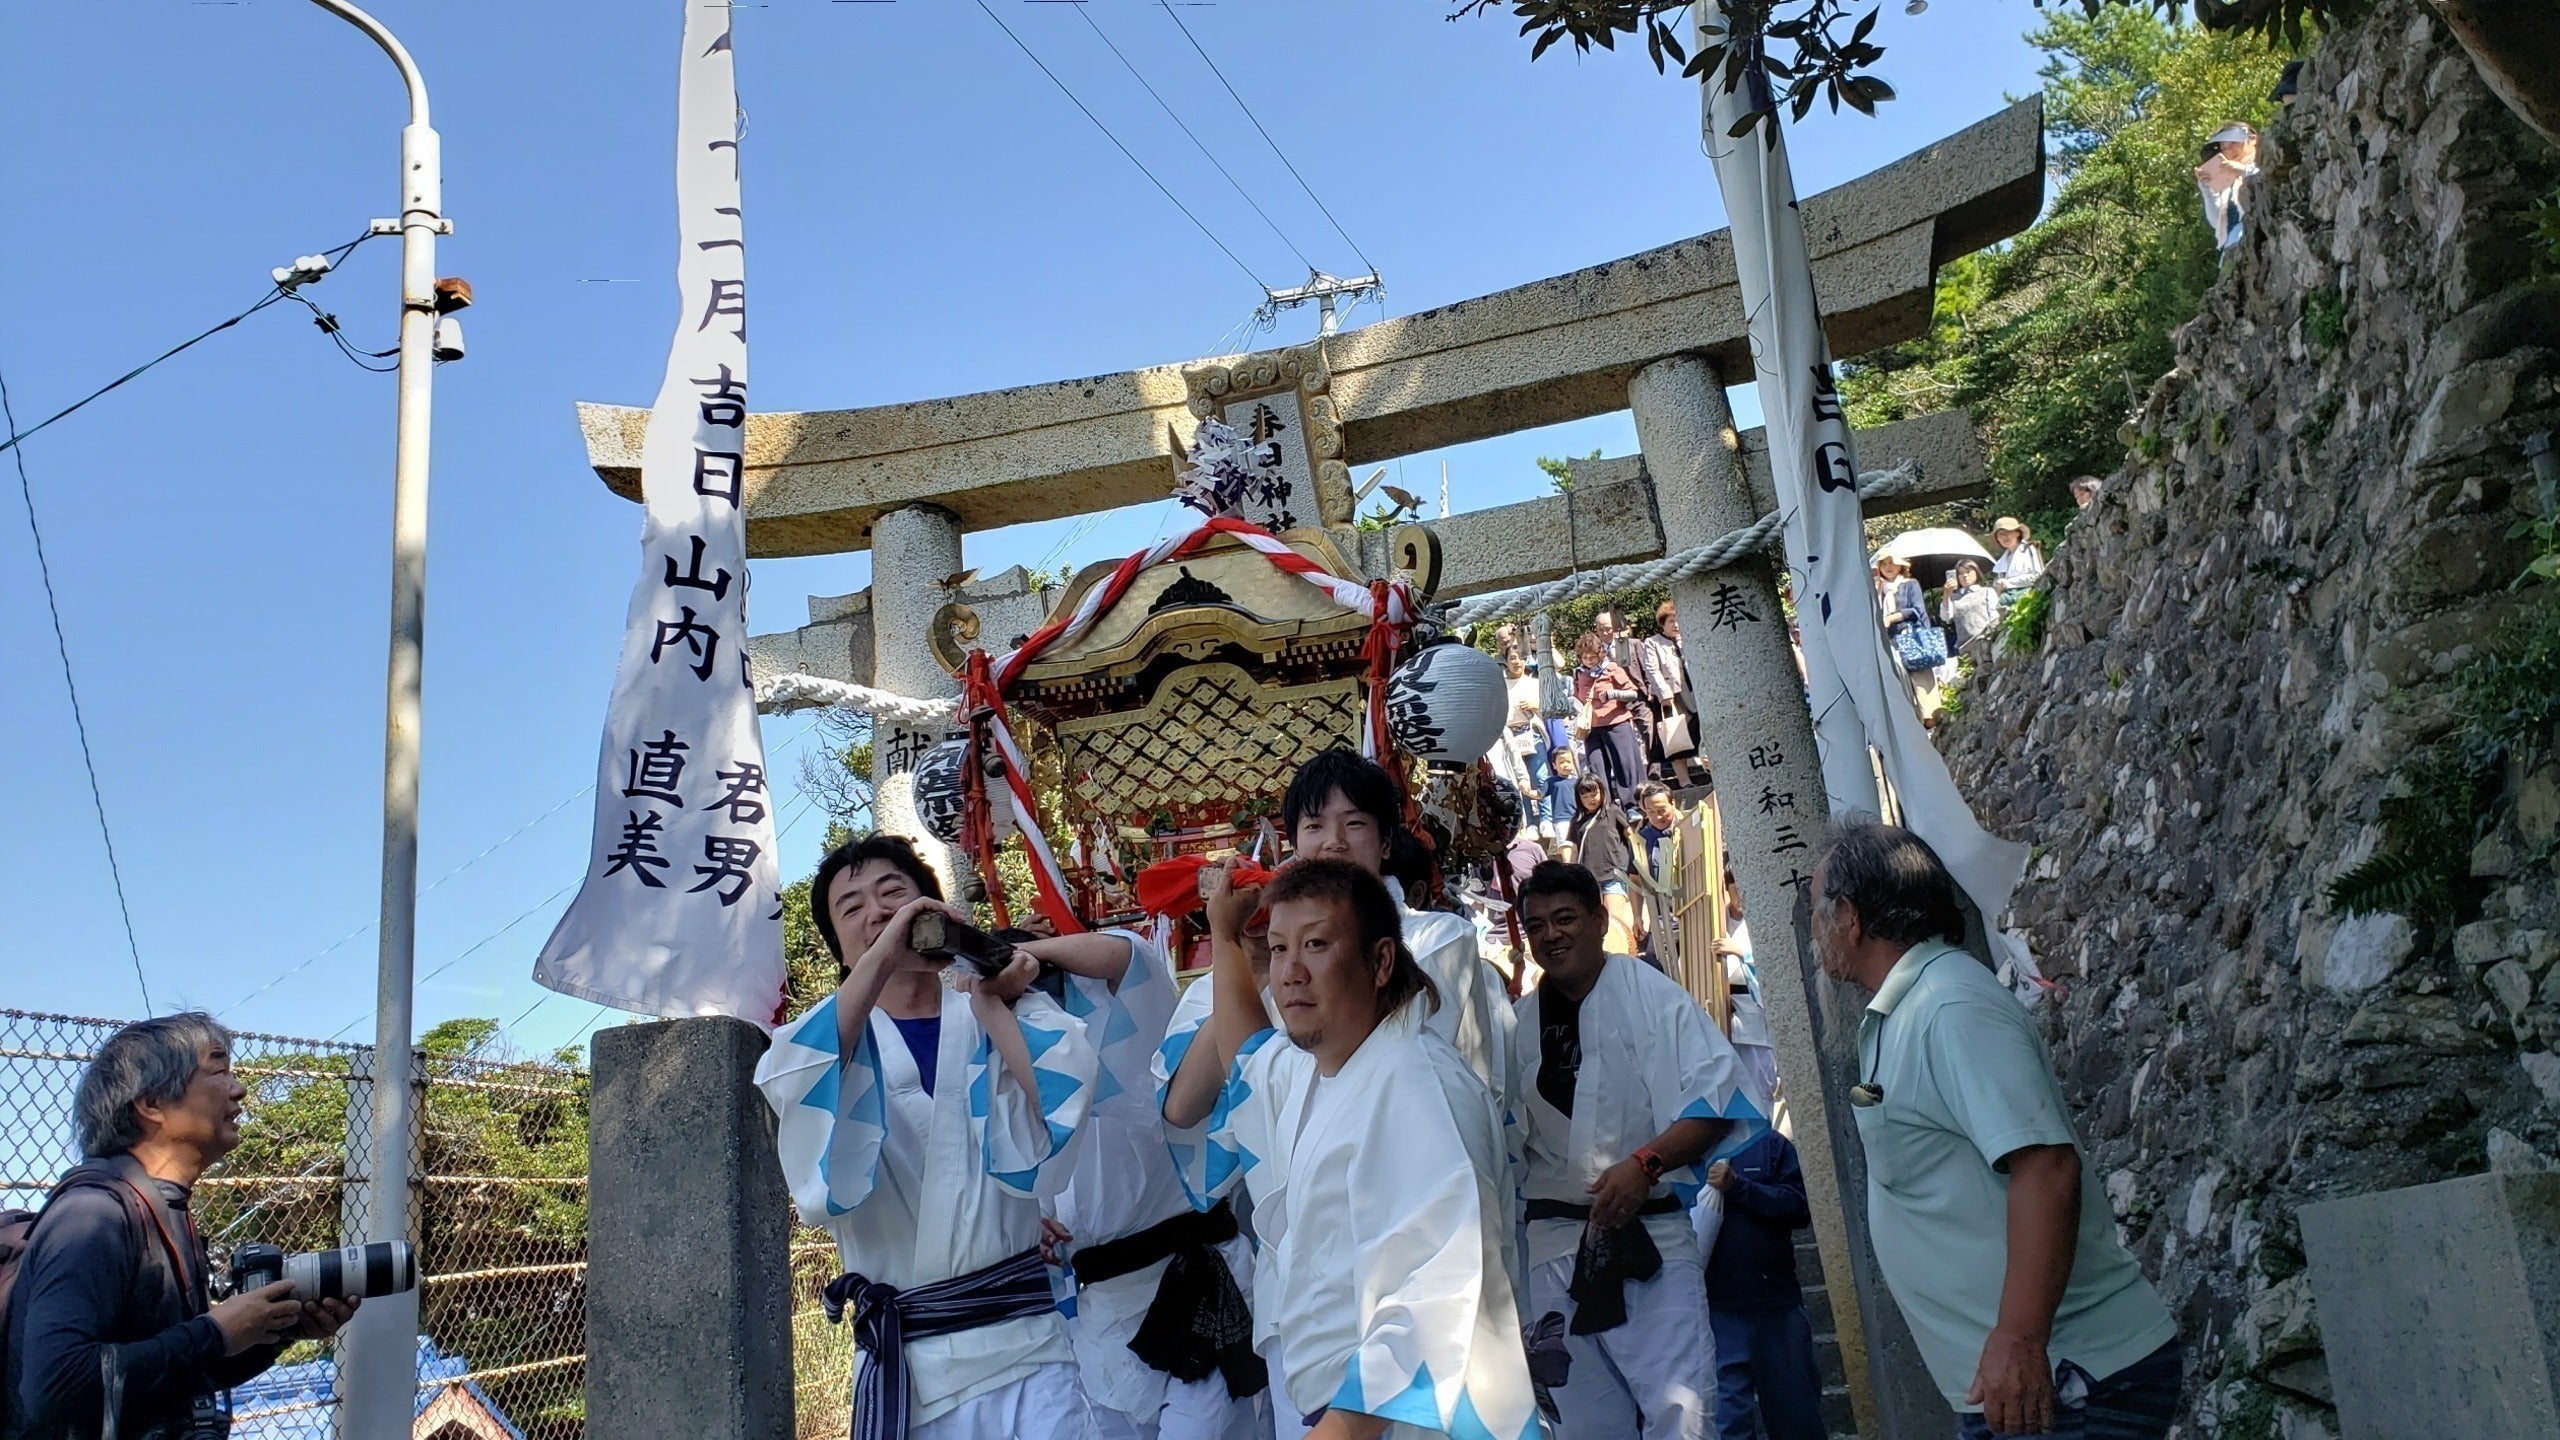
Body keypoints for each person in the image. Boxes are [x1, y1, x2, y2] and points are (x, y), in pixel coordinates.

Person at [1810, 825, 2179, 1439]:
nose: (1813, 932)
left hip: (2065, 1376)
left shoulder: (1948, 1006)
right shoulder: (1908, 1008)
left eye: (1817, 910)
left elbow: (2047, 1167)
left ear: (1848, 916)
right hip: (2022, 1384)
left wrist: (2019, 1337)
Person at [1160, 860, 1541, 1440]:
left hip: (1415, 1420)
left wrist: (1336, 1432)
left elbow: (1438, 1294)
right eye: (1280, 948)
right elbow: (1249, 1061)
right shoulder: (1318, 1068)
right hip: (1352, 1410)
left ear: (1381, 961)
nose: (1291, 972)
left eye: (1315, 945)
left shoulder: (1420, 1086)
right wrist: (1225, 936)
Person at [755, 834, 1103, 1439]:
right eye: (852, 908)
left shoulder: (998, 1004)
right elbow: (793, 1089)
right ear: (839, 948)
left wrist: (995, 1007)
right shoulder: (814, 1047)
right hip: (915, 1373)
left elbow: (1063, 1099)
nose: (879, 914)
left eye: (894, 894)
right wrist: (883, 958)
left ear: (934, 909)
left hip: (1031, 1351)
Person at [4, 1014, 360, 1440]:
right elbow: (55, 1387)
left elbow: (173, 1372)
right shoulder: (93, 1214)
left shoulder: (166, 1210)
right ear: (152, 1103)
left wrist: (275, 1331)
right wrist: (214, 1333)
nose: (239, 1089)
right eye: (219, 1070)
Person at [1510, 861, 1764, 1439]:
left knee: (1683, 1415)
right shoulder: (1515, 1024)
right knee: (1581, 1426)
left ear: (1600, 920)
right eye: (1537, 925)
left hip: (1650, 1236)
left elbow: (1714, 1102)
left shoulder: (1652, 996)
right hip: (1553, 1245)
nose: (1551, 935)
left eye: (1565, 918)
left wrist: (1645, 1164)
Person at [1033, 920, 1264, 1439]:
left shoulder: (1134, 1042)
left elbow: (1126, 955)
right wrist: (1031, 1225)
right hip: (1106, 1310)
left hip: (1197, 1280)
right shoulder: (1018, 1079)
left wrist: (1023, 951)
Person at [1280, 748, 1511, 1106]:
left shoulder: (1441, 940)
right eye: (1314, 825)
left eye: (1354, 824)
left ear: (1385, 842)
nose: (1334, 841)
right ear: (1295, 846)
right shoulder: (1279, 955)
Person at [1702, 1131, 1829, 1440]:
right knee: (1727, 1427)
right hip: (1714, 1313)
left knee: (1797, 1424)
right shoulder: (1684, 1149)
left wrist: (1738, 1186)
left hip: (1777, 1310)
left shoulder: (1771, 1145)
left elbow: (1798, 1208)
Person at [1563, 776, 1642, 958]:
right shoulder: (1577, 821)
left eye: (1594, 793)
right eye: (1585, 796)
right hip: (1588, 880)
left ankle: (1627, 957)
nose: (1591, 799)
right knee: (1598, 923)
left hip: (1614, 873)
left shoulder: (1613, 811)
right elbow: (1574, 849)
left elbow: (1631, 836)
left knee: (1614, 921)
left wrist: (1638, 861)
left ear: (1602, 791)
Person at [1572, 632, 1647, 803]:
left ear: (1600, 654)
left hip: (1616, 724)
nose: (1589, 661)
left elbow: (1633, 693)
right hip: (1592, 728)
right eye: (1585, 657)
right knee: (1596, 768)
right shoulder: (1579, 674)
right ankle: (1604, 807)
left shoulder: (1612, 668)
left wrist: (1613, 694)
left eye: (1592, 657)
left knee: (1625, 766)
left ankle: (1632, 805)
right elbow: (1577, 697)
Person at [1636, 602, 1701, 789]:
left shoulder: (1690, 638)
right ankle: (1684, 780)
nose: (1676, 625)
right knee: (1676, 736)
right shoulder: (1653, 642)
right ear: (1663, 623)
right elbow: (1651, 669)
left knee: (1702, 733)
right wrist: (1664, 693)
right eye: (1671, 621)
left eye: (1679, 620)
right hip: (1672, 696)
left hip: (1696, 692)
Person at [2193, 122, 2258, 252]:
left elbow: (2270, 182)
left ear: (2252, 139)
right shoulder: (2228, 184)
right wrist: (2207, 189)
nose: (2229, 150)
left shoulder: (2265, 163)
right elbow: (2218, 223)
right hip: (2233, 248)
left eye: (2234, 143)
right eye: (2224, 148)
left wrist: (2244, 171)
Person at [1940, 560, 2001, 654]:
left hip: (1986, 643)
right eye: (1960, 573)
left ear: (1976, 572)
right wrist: (1946, 594)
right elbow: (1945, 617)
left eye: (1968, 572)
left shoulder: (1987, 592)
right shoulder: (1953, 598)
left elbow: (1995, 617)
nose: (1965, 576)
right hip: (1964, 647)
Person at [1990, 520, 2044, 597]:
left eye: (2008, 532)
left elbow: (2037, 576)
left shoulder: (2028, 549)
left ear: (2017, 533)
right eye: (2000, 534)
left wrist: (2008, 583)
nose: (2004, 537)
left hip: (2029, 595)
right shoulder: (2000, 562)